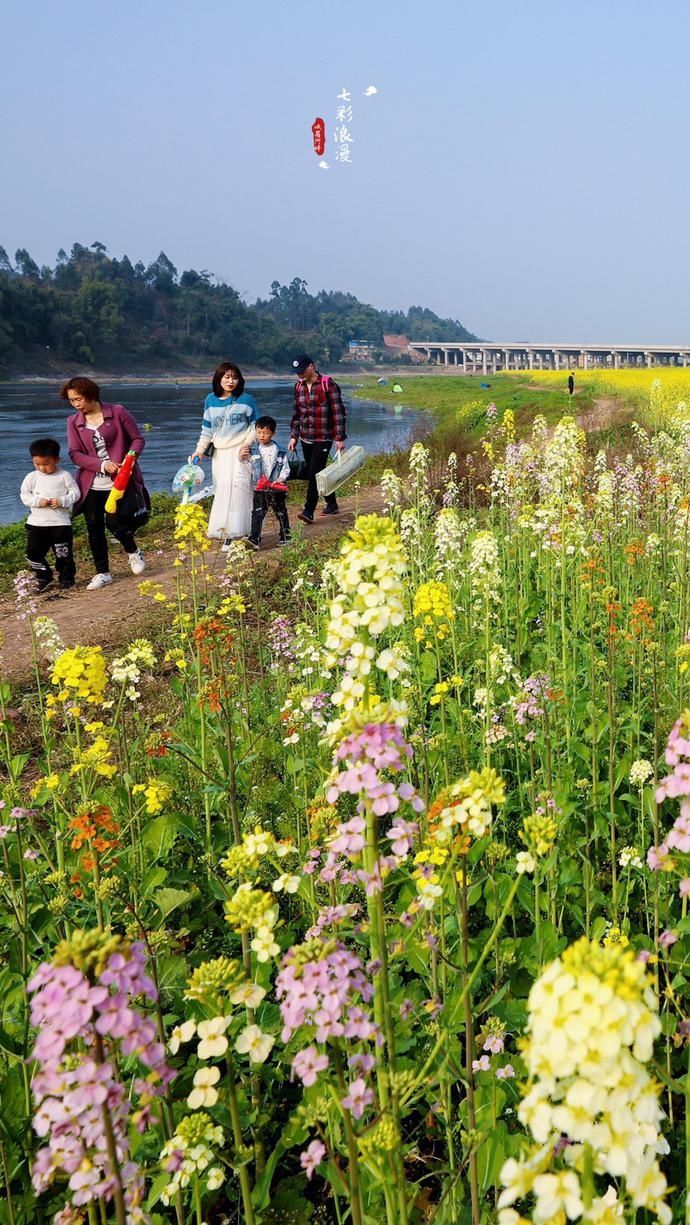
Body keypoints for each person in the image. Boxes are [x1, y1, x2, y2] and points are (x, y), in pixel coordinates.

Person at [64, 376, 147, 590]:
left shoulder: (118, 412)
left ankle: (133, 552)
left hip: (119, 481)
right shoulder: (73, 422)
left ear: (92, 395)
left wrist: (129, 459)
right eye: (72, 400)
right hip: (91, 483)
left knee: (115, 523)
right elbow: (74, 454)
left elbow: (137, 439)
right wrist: (102, 465)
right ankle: (102, 573)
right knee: (94, 528)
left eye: (79, 399)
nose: (76, 404)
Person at [189, 361, 258, 546]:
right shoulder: (210, 400)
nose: (230, 381)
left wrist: (246, 445)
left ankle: (240, 533)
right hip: (220, 454)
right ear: (219, 378)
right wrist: (199, 451)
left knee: (239, 490)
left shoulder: (246, 400)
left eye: (235, 377)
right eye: (227, 377)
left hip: (240, 452)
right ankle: (226, 530)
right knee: (222, 489)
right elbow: (207, 431)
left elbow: (255, 427)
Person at [288, 354, 347, 524]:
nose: (299, 374)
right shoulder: (298, 387)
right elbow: (296, 414)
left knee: (314, 473)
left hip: (324, 437)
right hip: (306, 437)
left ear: (312, 366)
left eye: (302, 370)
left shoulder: (328, 384)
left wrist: (339, 437)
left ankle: (308, 510)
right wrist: (294, 436)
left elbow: (338, 412)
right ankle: (332, 504)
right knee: (318, 472)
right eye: (297, 371)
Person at [20, 438, 80, 592]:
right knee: (32, 553)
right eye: (37, 464)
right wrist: (38, 501)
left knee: (63, 555)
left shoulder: (64, 475)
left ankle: (67, 578)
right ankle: (44, 576)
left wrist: (62, 501)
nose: (42, 468)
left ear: (57, 460)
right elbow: (24, 496)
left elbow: (76, 493)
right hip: (37, 524)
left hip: (60, 524)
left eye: (46, 464)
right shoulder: (31, 477)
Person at [241, 415, 291, 550]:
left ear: (273, 433)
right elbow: (247, 469)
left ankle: (286, 536)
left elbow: (285, 469)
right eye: (258, 432)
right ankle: (254, 539)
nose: (261, 436)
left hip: (276, 488)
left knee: (280, 511)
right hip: (259, 489)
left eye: (265, 432)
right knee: (257, 512)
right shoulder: (253, 451)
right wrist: (243, 459)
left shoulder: (280, 451)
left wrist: (279, 480)